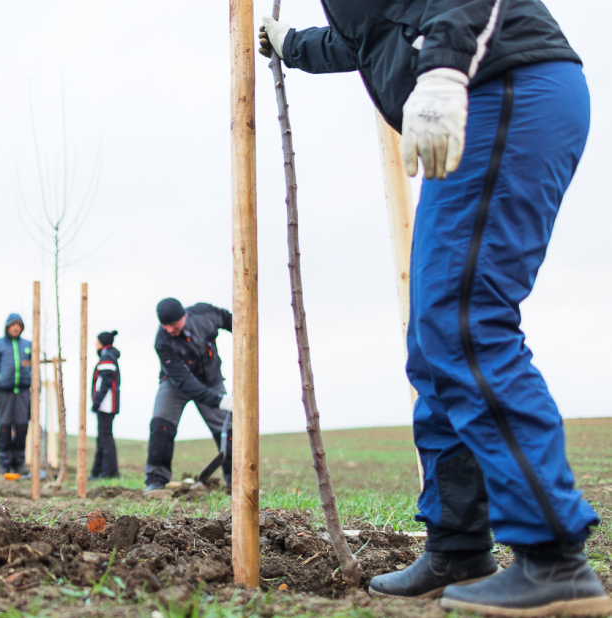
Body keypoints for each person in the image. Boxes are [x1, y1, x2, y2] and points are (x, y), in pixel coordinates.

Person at [261, 3, 608, 615]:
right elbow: (366, 38)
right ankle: (458, 545)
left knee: (465, 324)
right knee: (433, 340)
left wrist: (444, 69)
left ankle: (554, 557)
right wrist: (291, 46)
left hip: (503, 83)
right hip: (477, 93)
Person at [145, 299, 233, 492]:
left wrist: (244, 337)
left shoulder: (205, 314)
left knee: (228, 429)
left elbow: (232, 320)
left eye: (173, 324)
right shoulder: (162, 341)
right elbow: (185, 381)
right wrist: (219, 401)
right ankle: (156, 480)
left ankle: (236, 479)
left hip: (211, 379)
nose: (168, 329)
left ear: (184, 316)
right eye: (164, 325)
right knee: (161, 424)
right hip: (175, 383)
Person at [0, 314, 33, 474]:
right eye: (13, 325)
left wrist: (34, 386)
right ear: (7, 326)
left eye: (19, 325)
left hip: (24, 392)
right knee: (4, 427)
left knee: (21, 427)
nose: (16, 328)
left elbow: (34, 367)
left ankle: (19, 463)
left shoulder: (28, 345)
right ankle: (4, 463)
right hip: (3, 392)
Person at [89, 330, 121, 480]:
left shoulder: (107, 357)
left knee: (105, 439)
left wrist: (97, 402)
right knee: (103, 438)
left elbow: (106, 383)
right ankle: (99, 472)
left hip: (106, 406)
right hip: (106, 405)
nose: (95, 346)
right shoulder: (108, 356)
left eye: (97, 343)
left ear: (102, 344)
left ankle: (108, 473)